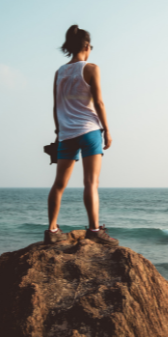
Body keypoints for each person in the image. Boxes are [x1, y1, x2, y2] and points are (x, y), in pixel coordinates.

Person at [45, 25, 118, 246]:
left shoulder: (59, 72)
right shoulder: (92, 68)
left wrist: (59, 133)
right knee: (91, 183)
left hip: (66, 134)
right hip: (89, 130)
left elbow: (56, 107)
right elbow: (99, 102)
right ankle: (94, 230)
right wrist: (106, 130)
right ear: (87, 46)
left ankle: (52, 230)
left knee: (59, 184)